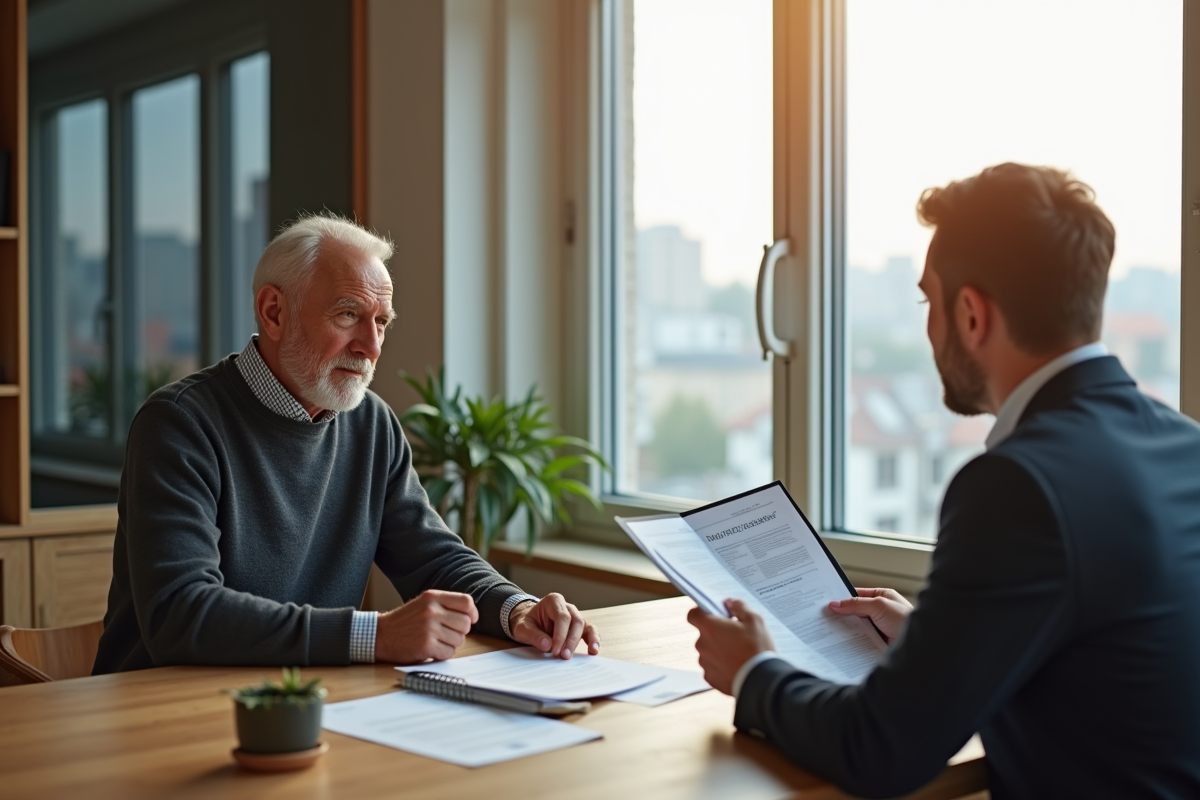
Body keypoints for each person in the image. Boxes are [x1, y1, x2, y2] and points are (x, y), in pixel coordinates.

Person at [687, 163, 1200, 798]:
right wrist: (939, 638)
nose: (929, 328)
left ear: (972, 313)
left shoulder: (1016, 485)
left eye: (930, 301)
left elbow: (880, 749)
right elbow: (1111, 655)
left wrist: (755, 672)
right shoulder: (1185, 445)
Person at [94, 214, 599, 674]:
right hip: (163, 711)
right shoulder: (178, 424)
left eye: (381, 322)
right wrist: (373, 634)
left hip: (308, 699)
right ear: (273, 312)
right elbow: (181, 614)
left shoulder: (371, 424)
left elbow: (434, 558)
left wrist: (518, 609)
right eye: (348, 315)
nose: (371, 347)